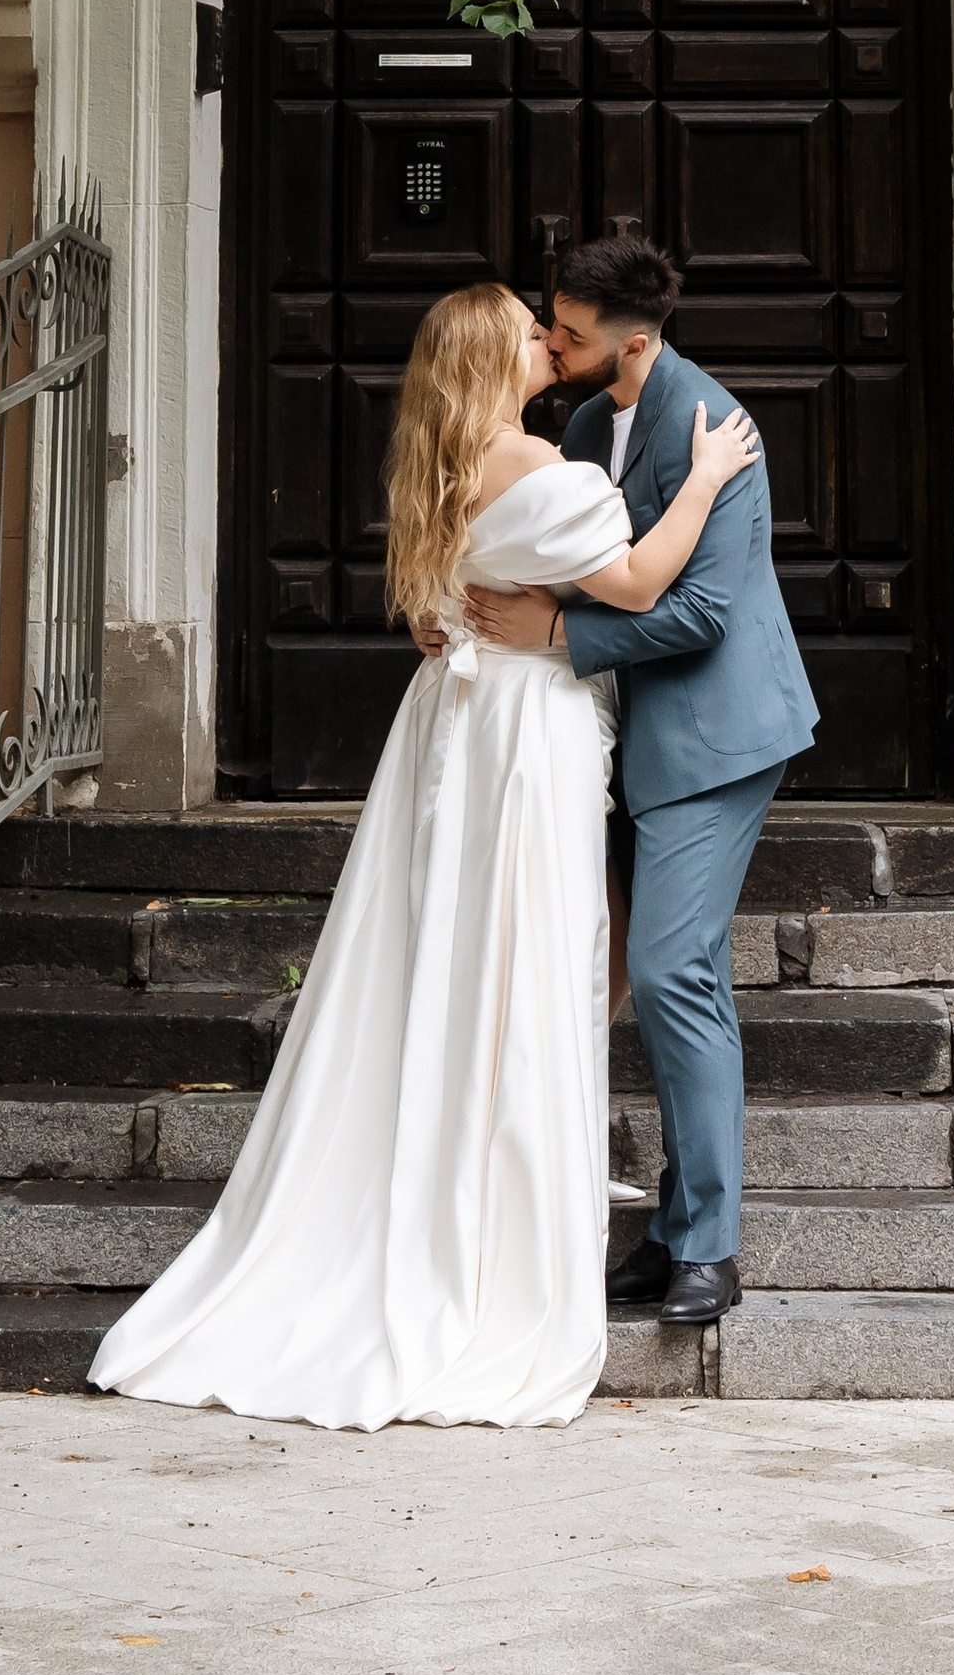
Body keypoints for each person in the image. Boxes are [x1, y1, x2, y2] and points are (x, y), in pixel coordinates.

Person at [86, 275, 765, 1430]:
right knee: (525, 956)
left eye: (560, 331)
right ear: (495, 363)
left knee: (459, 953)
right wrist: (703, 480)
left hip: (454, 724)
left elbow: (429, 616)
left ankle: (466, 1162)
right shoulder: (548, 473)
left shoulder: (436, 465)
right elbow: (648, 582)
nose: (549, 345)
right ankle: (499, 1206)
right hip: (522, 733)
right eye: (530, 336)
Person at [463, 234, 821, 1329]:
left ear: (632, 338)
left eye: (566, 333)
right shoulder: (575, 424)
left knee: (670, 971)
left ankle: (708, 1245)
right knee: (607, 975)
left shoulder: (715, 425)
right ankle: (666, 1231)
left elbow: (705, 609)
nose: (550, 344)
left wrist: (560, 636)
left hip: (713, 733)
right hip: (601, 742)